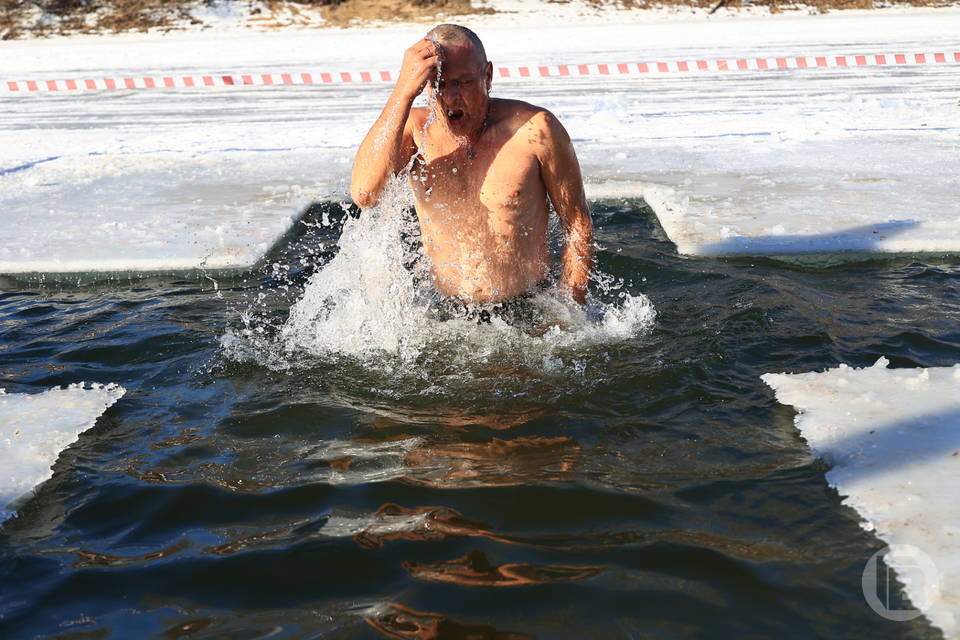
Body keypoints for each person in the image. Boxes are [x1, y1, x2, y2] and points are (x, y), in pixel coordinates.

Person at [350, 24, 594, 316]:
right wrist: (402, 93)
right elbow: (365, 195)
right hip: (448, 312)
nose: (451, 97)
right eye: (439, 83)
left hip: (527, 306)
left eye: (463, 82)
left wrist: (570, 313)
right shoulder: (415, 130)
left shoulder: (534, 129)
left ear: (487, 76)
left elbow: (578, 224)